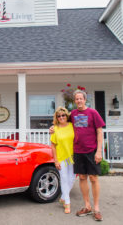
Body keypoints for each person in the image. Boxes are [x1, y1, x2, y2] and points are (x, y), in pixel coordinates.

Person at [50, 89, 104, 221]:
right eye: (77, 99)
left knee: (94, 178)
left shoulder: (93, 113)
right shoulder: (72, 114)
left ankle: (96, 208)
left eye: (81, 98)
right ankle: (87, 206)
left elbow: (99, 131)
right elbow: (61, 122)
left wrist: (99, 151)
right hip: (78, 152)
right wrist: (52, 128)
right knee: (82, 178)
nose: (79, 100)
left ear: (85, 100)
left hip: (91, 151)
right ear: (74, 101)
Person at [50, 106, 75, 214]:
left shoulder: (72, 126)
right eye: (59, 116)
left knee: (72, 178)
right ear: (56, 117)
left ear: (67, 115)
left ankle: (64, 197)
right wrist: (56, 160)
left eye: (63, 115)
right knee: (64, 179)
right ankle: (67, 203)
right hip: (61, 157)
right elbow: (53, 146)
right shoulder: (55, 129)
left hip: (73, 156)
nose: (61, 117)